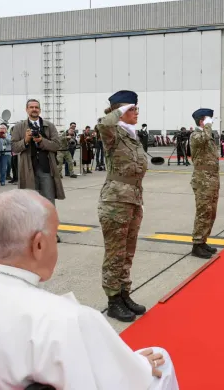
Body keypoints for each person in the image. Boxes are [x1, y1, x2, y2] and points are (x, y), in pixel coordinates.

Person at [0, 189, 179, 389]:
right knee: (160, 361)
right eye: (55, 236)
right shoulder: (67, 319)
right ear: (38, 244)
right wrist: (138, 366)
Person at [96, 90, 149, 322]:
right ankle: (113, 299)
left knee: (128, 252)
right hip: (115, 200)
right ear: (123, 111)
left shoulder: (131, 135)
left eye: (136, 108)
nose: (137, 112)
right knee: (115, 253)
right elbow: (103, 124)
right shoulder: (113, 133)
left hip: (134, 198)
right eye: (133, 109)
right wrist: (119, 110)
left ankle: (125, 293)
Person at [11, 99, 65, 243]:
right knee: (29, 204)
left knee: (48, 202)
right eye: (31, 107)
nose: (34, 109)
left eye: (36, 107)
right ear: (26, 109)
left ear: (39, 110)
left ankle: (51, 233)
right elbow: (15, 148)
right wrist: (26, 140)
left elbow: (57, 145)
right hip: (28, 170)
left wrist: (41, 141)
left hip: (46, 169)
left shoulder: (49, 126)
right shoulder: (19, 127)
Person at [189, 108, 221, 259]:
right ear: (202, 121)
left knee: (211, 211)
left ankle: (203, 241)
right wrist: (207, 127)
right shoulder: (196, 135)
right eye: (208, 119)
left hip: (212, 177)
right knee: (203, 211)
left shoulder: (207, 135)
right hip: (202, 178)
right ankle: (196, 244)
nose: (211, 122)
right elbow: (203, 139)